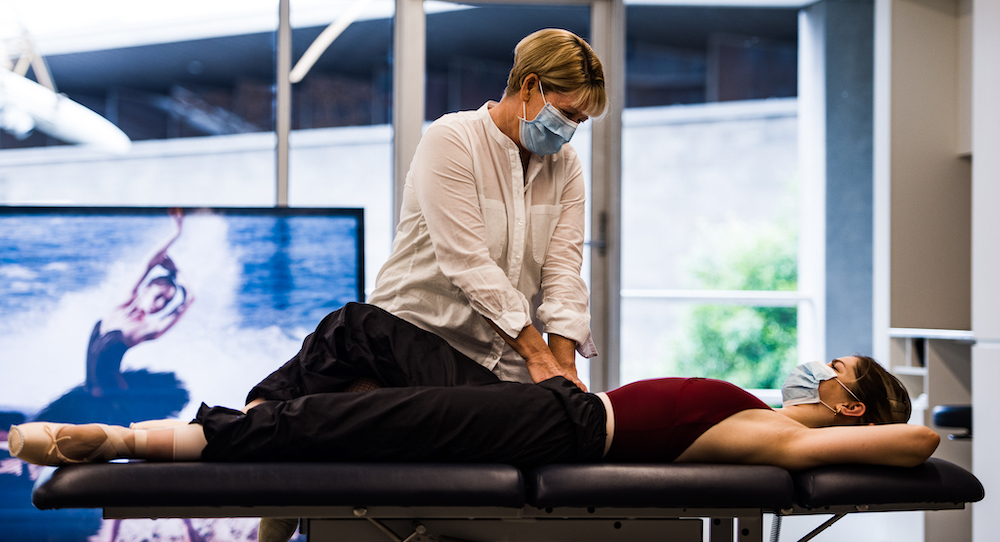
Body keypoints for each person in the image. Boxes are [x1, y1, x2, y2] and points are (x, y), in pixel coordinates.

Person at [9, 302, 939, 473]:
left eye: (833, 369)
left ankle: (132, 439)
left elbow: (919, 442)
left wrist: (913, 413)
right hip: (557, 406)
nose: (814, 364)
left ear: (848, 404)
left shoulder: (784, 439)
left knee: (351, 419)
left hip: (556, 432)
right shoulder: (766, 409)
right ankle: (262, 427)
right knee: (355, 329)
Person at [366, 28, 607, 391]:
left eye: (581, 121)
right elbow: (468, 263)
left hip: (504, 358)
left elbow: (563, 271)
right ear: (528, 87)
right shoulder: (452, 139)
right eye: (566, 113)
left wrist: (565, 370)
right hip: (415, 341)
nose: (571, 129)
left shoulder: (565, 164)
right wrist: (538, 357)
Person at [85, 208, 194, 398]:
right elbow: (148, 263)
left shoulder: (150, 327)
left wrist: (178, 272)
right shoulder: (124, 304)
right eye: (159, 295)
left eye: (167, 301)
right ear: (146, 289)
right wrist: (176, 234)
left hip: (113, 397)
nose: (161, 304)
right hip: (91, 392)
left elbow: (190, 298)